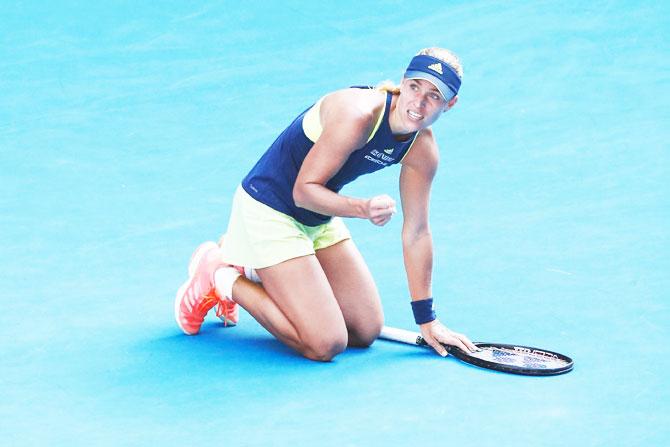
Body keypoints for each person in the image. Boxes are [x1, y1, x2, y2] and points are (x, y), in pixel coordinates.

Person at [174, 47, 477, 361]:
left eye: (434, 96)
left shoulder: (422, 149)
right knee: (326, 342)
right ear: (403, 81)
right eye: (415, 86)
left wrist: (427, 320)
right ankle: (219, 274)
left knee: (364, 330)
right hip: (269, 208)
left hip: (317, 218)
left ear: (450, 104)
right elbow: (303, 192)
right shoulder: (358, 114)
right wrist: (363, 208)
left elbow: (417, 232)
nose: (419, 103)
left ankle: (255, 266)